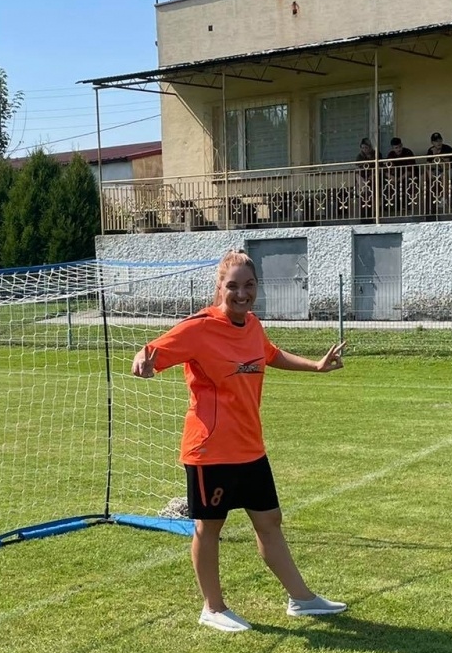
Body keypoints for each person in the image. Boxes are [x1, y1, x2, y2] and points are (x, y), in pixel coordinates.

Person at [130, 252, 348, 633]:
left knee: (270, 522)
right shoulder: (198, 327)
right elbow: (150, 352)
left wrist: (314, 365)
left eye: (249, 285)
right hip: (210, 452)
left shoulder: (252, 325)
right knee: (209, 527)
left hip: (250, 448)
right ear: (219, 287)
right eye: (233, 286)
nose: (242, 293)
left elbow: (270, 354)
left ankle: (302, 599)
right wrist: (143, 362)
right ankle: (213, 608)